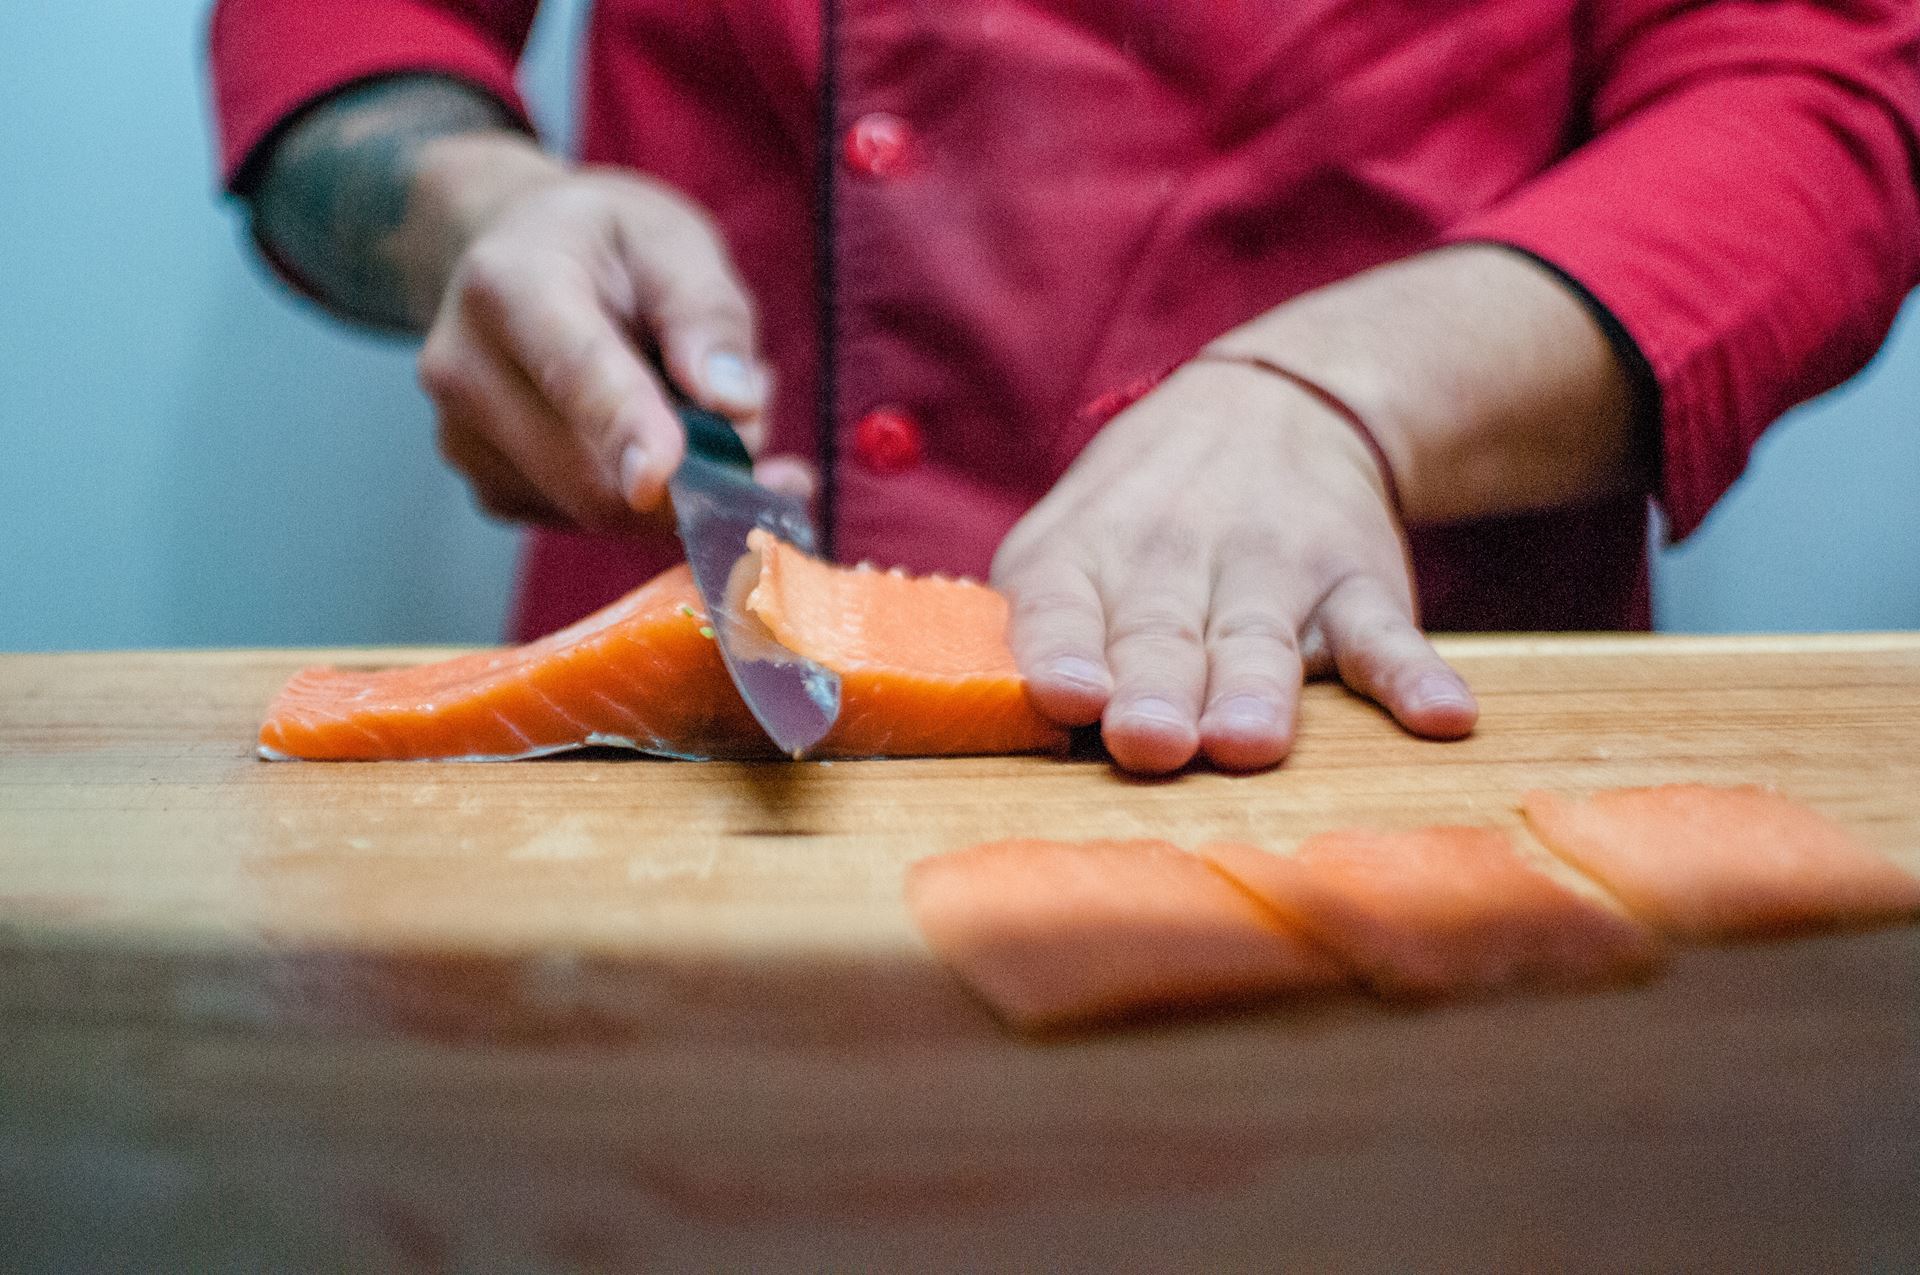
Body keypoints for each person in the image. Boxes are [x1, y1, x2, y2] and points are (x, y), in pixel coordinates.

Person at [208, 2, 1920, 774]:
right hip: (685, 701)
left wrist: (1351, 391)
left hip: (1363, 700)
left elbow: (1817, 86)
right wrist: (474, 213)